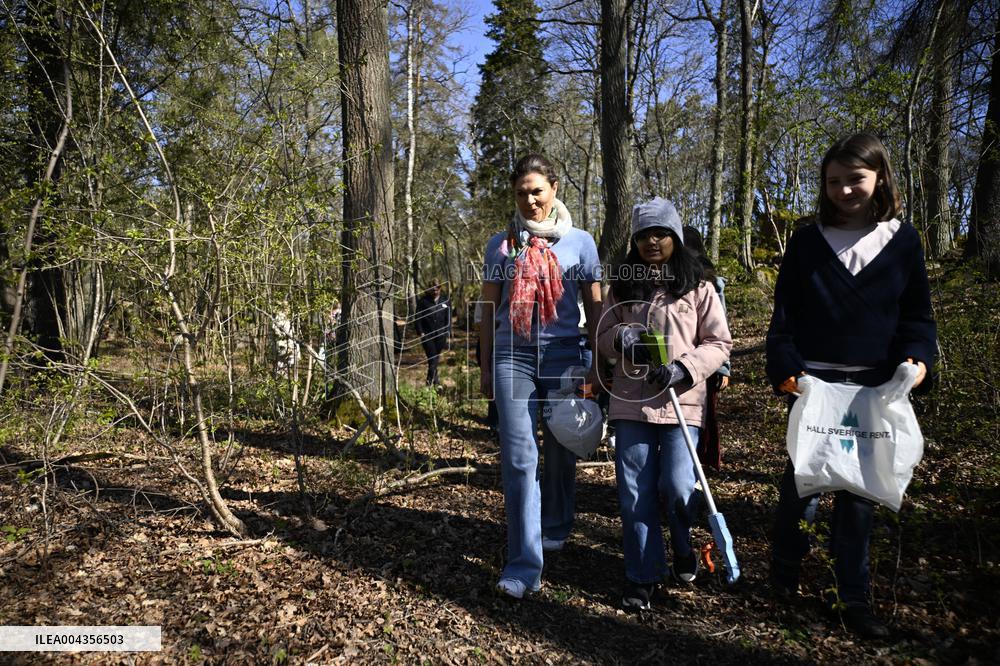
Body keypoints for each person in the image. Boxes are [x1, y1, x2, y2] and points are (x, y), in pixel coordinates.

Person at [766, 132, 937, 639]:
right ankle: (783, 579)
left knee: (859, 498)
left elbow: (917, 317)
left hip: (873, 389)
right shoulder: (806, 240)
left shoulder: (903, 241)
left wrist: (918, 360)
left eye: (855, 179)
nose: (844, 190)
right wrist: (786, 369)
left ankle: (851, 597)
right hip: (814, 387)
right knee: (803, 486)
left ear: (880, 177)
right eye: (834, 181)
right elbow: (785, 318)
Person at [596, 198, 732, 611]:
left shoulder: (699, 285)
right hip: (630, 402)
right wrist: (620, 340)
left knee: (675, 486)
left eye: (661, 234)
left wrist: (684, 368)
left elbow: (718, 342)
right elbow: (603, 335)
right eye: (643, 235)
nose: (652, 242)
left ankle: (684, 544)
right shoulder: (622, 285)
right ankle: (642, 576)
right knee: (634, 492)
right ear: (633, 240)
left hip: (682, 403)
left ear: (675, 236)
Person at [479, 153, 603, 599]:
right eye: (521, 193)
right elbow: (488, 307)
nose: (530, 200)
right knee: (518, 457)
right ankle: (524, 563)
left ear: (553, 188)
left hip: (566, 353)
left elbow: (596, 308)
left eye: (537, 190)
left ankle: (555, 523)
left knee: (562, 448)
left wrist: (598, 364)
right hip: (513, 356)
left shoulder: (581, 243)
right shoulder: (501, 245)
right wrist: (484, 363)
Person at [683, 226, 731, 470]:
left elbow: (720, 326)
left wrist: (723, 368)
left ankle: (703, 463)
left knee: (706, 415)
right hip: (681, 360)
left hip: (707, 360)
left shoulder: (709, 280)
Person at [414, 281, 451, 386]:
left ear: (440, 288)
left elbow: (448, 317)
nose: (435, 290)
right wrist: (420, 332)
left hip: (441, 335)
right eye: (433, 288)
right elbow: (417, 317)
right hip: (427, 335)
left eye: (437, 288)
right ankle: (431, 383)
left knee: (434, 359)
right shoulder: (423, 301)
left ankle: (434, 382)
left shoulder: (446, 300)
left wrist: (448, 332)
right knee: (432, 357)